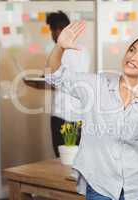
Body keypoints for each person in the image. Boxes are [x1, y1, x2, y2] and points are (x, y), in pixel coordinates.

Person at [45, 21, 138, 200]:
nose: (132, 57)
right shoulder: (97, 85)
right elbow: (55, 76)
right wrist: (59, 48)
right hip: (100, 185)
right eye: (131, 50)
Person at [46, 11, 90, 157]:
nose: (52, 34)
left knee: (62, 159)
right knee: (77, 158)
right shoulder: (83, 50)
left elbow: (53, 79)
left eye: (52, 30)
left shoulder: (59, 53)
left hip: (61, 113)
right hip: (80, 113)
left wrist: (41, 80)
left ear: (58, 30)